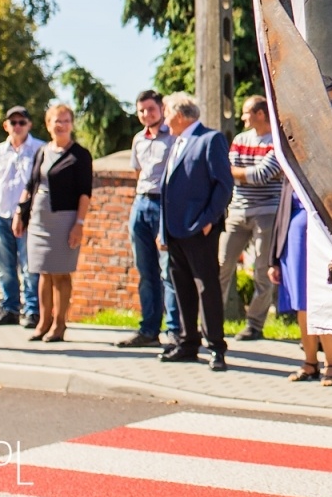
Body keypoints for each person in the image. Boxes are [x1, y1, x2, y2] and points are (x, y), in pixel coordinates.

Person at [158, 92, 234, 372]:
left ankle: (216, 347)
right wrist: (162, 230)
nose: (165, 120)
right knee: (182, 287)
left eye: (167, 114)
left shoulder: (210, 139)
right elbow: (167, 190)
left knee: (206, 287)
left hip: (199, 229)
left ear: (180, 115)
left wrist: (208, 220)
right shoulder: (177, 142)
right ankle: (187, 342)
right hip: (174, 229)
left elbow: (224, 184)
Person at [15, 104, 92, 342]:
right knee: (43, 272)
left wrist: (79, 223)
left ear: (72, 124)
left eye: (66, 121)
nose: (62, 125)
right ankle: (43, 322)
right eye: (57, 121)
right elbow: (31, 185)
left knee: (60, 273)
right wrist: (20, 213)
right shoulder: (42, 151)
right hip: (39, 219)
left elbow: (85, 193)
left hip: (64, 219)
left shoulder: (80, 155)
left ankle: (59, 324)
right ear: (48, 124)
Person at [265, 174, 332, 386]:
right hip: (295, 243)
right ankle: (310, 362)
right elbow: (282, 213)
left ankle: (331, 364)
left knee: (324, 300)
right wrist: (274, 260)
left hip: (324, 241)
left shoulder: (327, 168)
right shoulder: (291, 170)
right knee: (302, 304)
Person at [118, 89, 179, 349]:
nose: (146, 114)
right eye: (141, 110)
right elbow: (137, 172)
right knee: (145, 270)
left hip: (164, 204)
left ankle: (175, 330)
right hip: (141, 203)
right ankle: (149, 329)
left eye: (151, 109)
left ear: (162, 109)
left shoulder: (173, 136)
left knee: (169, 270)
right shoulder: (138, 139)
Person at [220, 95, 282, 342]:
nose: (242, 117)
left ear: (260, 114)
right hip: (237, 211)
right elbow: (228, 172)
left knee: (262, 270)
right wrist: (247, 174)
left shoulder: (277, 141)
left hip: (267, 212)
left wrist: (242, 174)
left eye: (246, 112)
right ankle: (211, 321)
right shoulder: (239, 140)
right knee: (221, 265)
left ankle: (254, 325)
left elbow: (261, 175)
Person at [0, 105, 43, 327]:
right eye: (13, 122)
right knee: (5, 267)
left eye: (21, 122)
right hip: (2, 214)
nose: (17, 126)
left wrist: (28, 212)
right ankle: (10, 308)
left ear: (29, 125)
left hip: (29, 217)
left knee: (30, 266)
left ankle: (33, 310)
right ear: (5, 125)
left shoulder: (39, 149)